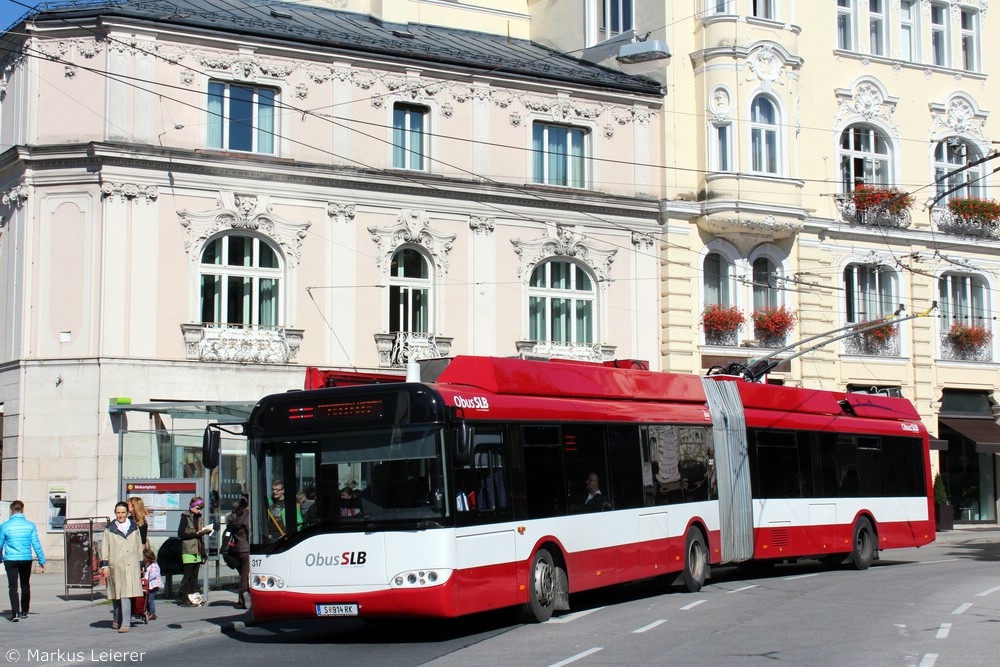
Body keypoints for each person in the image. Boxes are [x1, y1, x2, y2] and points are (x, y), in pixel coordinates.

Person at [99, 502, 143, 632]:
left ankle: (125, 623)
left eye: (123, 513)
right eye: (118, 513)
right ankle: (117, 619)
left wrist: (140, 563)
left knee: (126, 594)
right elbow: (104, 548)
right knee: (116, 594)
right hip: (115, 565)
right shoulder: (110, 528)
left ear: (127, 513)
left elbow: (138, 546)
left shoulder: (134, 527)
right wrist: (104, 565)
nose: (120, 515)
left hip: (131, 564)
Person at [0, 500, 46, 622]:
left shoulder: (4, 526)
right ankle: (24, 611)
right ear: (23, 509)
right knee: (25, 585)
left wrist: (0, 557)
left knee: (12, 586)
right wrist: (41, 559)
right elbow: (36, 544)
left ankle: (15, 613)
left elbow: (0, 544)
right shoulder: (30, 525)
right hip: (26, 559)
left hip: (10, 559)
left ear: (11, 510)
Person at [177, 497, 211, 606]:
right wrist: (195, 534)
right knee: (188, 574)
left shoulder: (199, 517)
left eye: (201, 508)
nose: (199, 510)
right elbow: (181, 534)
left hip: (198, 549)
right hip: (188, 549)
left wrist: (204, 531)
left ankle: (193, 598)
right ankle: (184, 598)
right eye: (198, 508)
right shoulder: (185, 517)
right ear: (192, 506)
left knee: (195, 576)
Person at [226, 495, 251, 610]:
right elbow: (249, 532)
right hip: (246, 548)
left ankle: (242, 599)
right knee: (245, 576)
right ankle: (244, 600)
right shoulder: (246, 515)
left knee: (243, 575)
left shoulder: (233, 515)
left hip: (237, 548)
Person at [142, 547, 163, 621]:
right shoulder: (147, 565)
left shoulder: (154, 565)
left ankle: (152, 613)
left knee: (150, 600)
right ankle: (147, 611)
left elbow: (152, 575)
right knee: (146, 599)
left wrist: (145, 577)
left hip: (154, 585)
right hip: (148, 585)